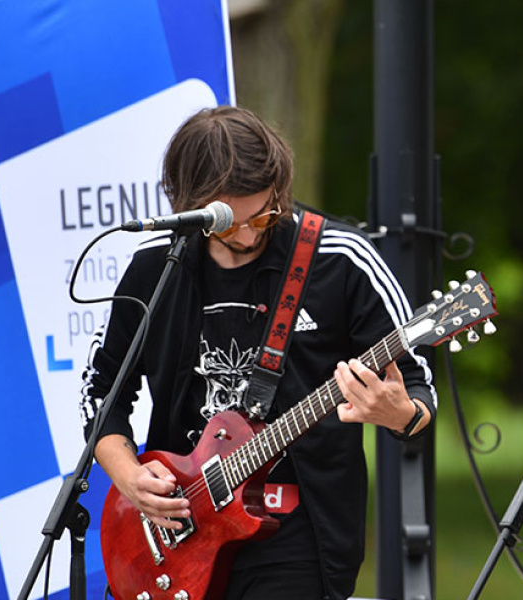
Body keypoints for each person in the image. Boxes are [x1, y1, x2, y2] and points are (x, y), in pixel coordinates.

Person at [79, 105, 436, 600]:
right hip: (179, 531)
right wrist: (129, 476)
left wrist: (400, 414)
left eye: (263, 215)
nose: (248, 235)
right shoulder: (154, 270)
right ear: (190, 203)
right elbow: (101, 395)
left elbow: (418, 392)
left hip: (295, 530)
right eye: (228, 223)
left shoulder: (341, 259)